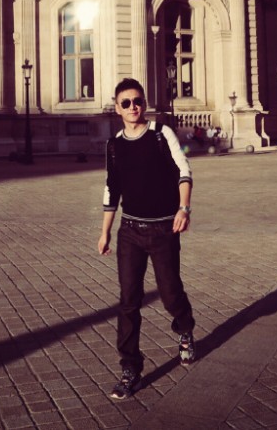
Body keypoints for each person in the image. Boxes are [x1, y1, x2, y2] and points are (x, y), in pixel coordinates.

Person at [99, 78, 195, 400]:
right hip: (130, 232)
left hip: (164, 229)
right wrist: (105, 231)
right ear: (117, 108)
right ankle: (130, 370)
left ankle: (184, 328)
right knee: (128, 300)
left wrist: (184, 208)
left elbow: (184, 170)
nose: (133, 107)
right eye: (126, 103)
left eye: (137, 101)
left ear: (144, 102)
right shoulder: (114, 145)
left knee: (170, 293)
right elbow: (112, 188)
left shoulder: (161, 134)